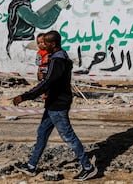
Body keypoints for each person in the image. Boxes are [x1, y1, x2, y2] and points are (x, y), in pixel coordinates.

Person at [13, 30, 97, 181]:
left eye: (45, 42)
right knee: (42, 133)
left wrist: (25, 96)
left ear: (53, 44)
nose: (43, 45)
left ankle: (87, 167)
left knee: (68, 136)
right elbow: (53, 79)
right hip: (53, 103)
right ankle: (31, 166)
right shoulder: (58, 57)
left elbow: (48, 83)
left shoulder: (58, 60)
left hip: (58, 104)